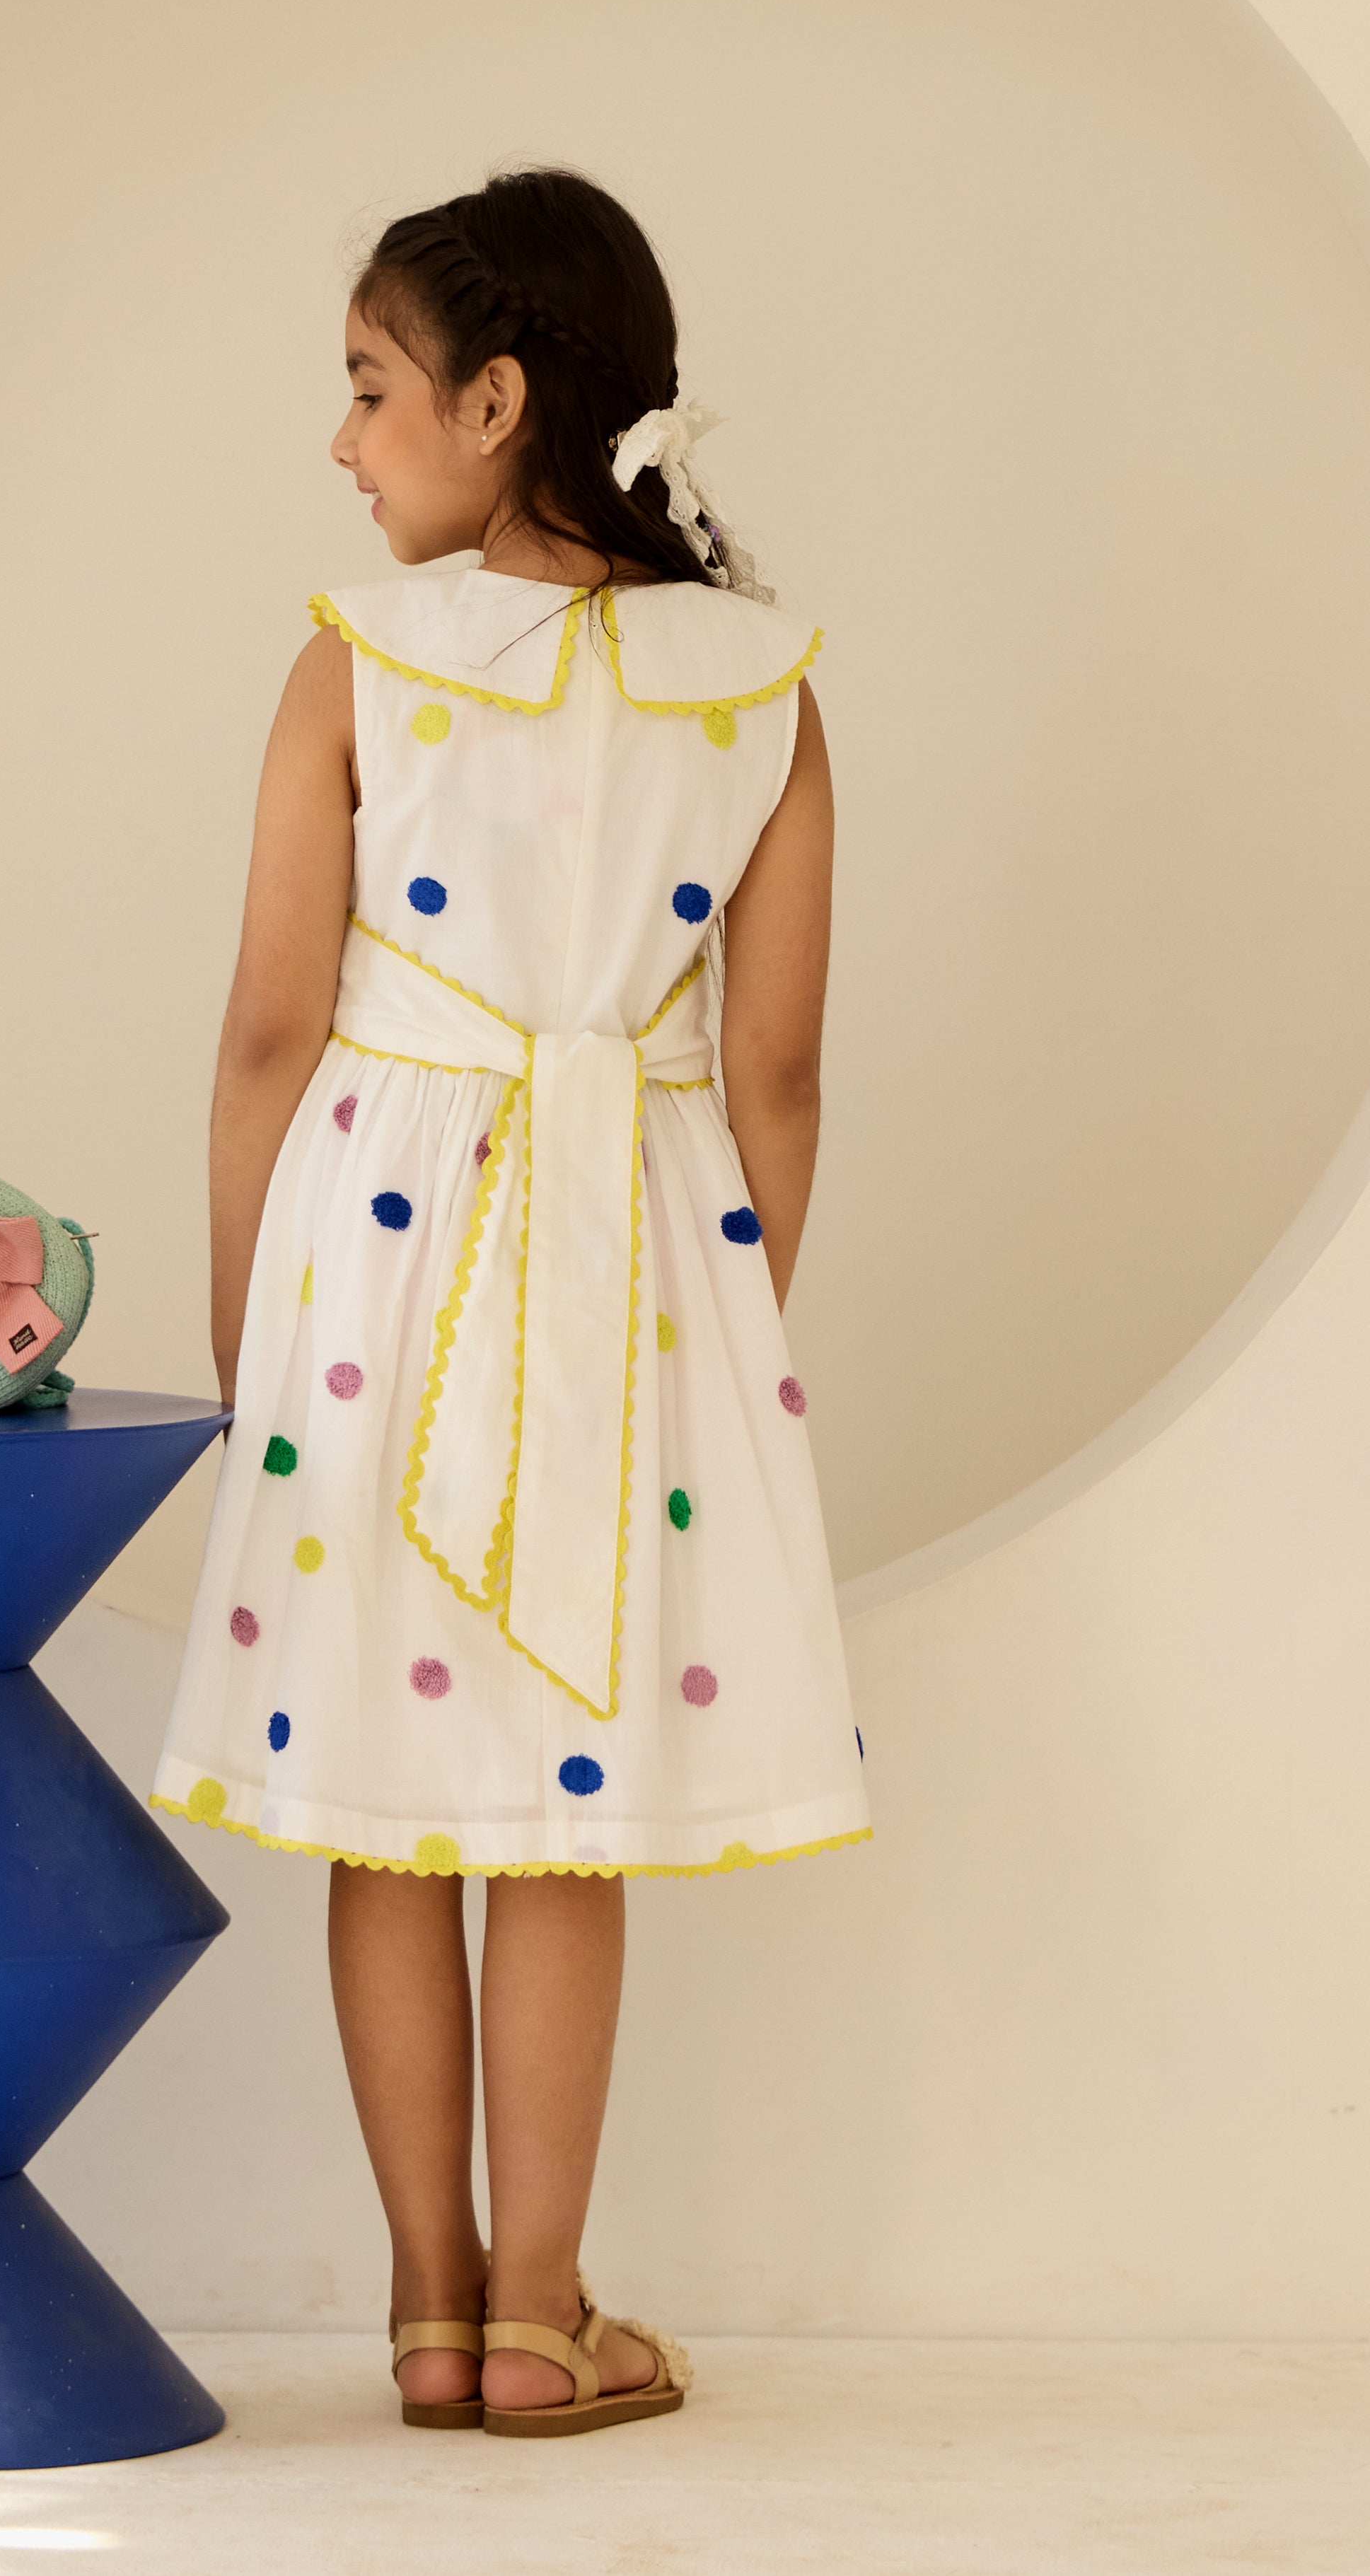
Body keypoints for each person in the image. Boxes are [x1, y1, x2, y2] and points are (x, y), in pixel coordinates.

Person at [152, 168, 869, 2438]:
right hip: (636, 1271)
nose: (343, 440)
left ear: (496, 400)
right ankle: (549, 2317)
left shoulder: (357, 661)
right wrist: (722, 1341)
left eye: (370, 389)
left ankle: (432, 2313)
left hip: (372, 1257)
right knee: (565, 1792)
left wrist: (249, 1334)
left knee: (393, 1799)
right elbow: (773, 1078)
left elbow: (269, 1033)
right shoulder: (762, 687)